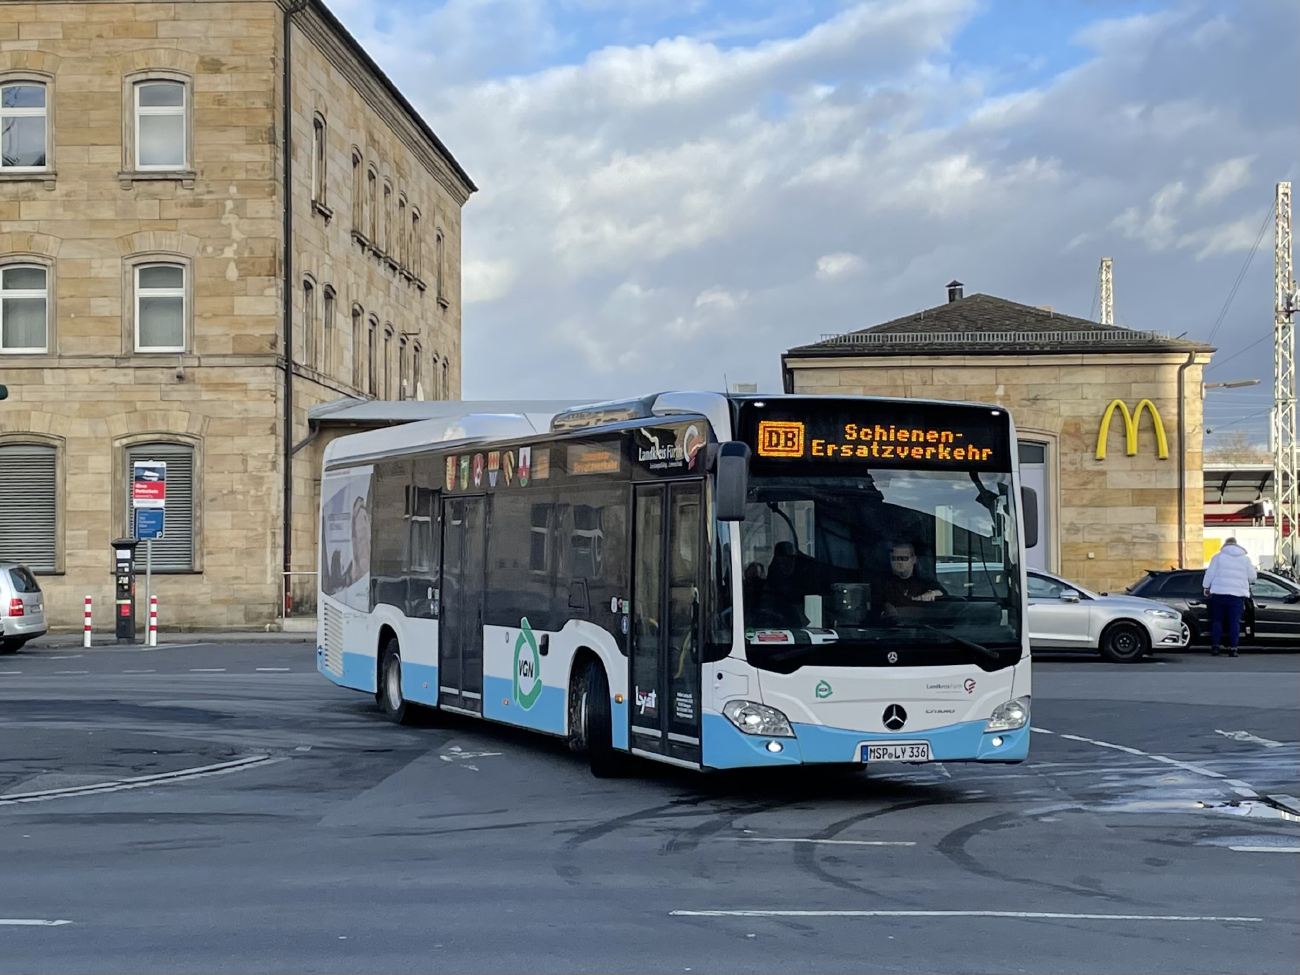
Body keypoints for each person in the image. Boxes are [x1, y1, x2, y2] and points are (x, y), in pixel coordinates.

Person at [1202, 537, 1256, 657]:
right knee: (1234, 622)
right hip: (1237, 595)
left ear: (1225, 545)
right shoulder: (1245, 559)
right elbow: (1253, 576)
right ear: (1236, 545)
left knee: (1217, 621)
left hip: (1219, 593)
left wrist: (1206, 587)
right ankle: (1233, 649)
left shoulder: (1217, 557)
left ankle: (1215, 647)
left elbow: (1210, 573)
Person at [882, 541, 945, 614]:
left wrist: (932, 593)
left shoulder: (924, 581)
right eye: (894, 558)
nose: (899, 562)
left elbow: (943, 593)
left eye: (904, 558)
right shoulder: (883, 583)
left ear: (914, 560)